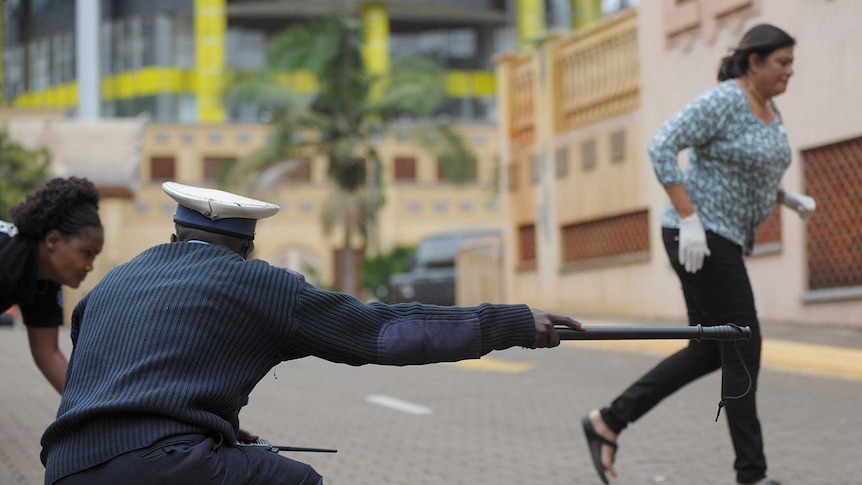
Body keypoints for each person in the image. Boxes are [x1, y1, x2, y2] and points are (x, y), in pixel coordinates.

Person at [40, 181, 585, 485]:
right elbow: (384, 333)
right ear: (247, 248)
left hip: (65, 469)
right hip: (163, 466)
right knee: (298, 484)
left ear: (176, 234)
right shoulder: (260, 284)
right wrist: (511, 323)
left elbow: (130, 378)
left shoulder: (110, 285)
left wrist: (215, 428)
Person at [582, 24, 814, 485]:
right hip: (699, 236)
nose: (790, 71)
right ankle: (752, 474)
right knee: (743, 344)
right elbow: (662, 144)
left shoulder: (770, 108)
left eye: (792, 63)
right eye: (782, 62)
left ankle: (608, 421)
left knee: (712, 349)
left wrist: (786, 199)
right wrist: (688, 218)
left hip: (720, 236)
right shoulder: (726, 99)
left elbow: (749, 166)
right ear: (754, 62)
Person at [0, 176, 103, 394]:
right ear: (53, 241)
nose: (90, 266)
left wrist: (93, 409)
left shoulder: (44, 280)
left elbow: (48, 355)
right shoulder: (7, 261)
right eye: (87, 253)